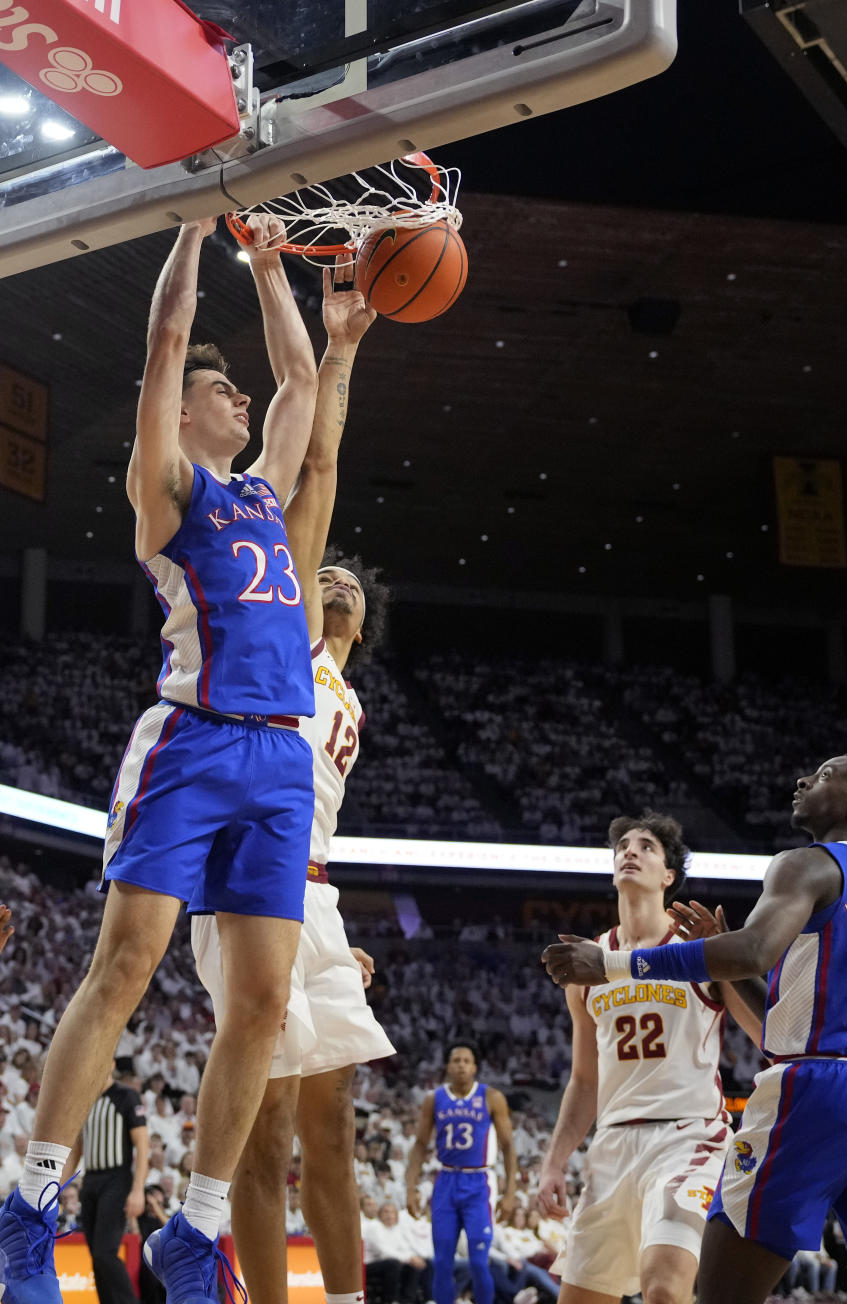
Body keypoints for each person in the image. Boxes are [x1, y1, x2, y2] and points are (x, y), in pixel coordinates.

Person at [0, 213, 320, 1304]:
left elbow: (302, 386)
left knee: (264, 1007)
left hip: (285, 759)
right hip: (192, 739)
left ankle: (196, 1226)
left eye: (238, 393)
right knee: (127, 964)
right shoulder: (168, 489)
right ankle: (32, 1204)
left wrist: (274, 267)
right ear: (181, 414)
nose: (237, 397)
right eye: (214, 390)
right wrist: (194, 226)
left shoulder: (266, 492)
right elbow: (167, 337)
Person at [543, 750, 847, 1304]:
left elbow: (755, 950)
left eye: (827, 775)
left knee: (709, 1292)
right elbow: (789, 1020)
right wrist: (726, 961)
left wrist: (613, 965)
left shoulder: (807, 863)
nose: (804, 778)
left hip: (818, 1089)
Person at [191, 254, 393, 1304]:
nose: (332, 575)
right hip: (249, 887)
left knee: (333, 1132)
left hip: (313, 890)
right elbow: (320, 467)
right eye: (321, 573)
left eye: (346, 579)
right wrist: (345, 352)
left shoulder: (351, 697)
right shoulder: (294, 641)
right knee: (265, 1138)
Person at [536, 812, 763, 1304]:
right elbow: (584, 1079)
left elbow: (768, 1035)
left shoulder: (698, 948)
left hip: (688, 1137)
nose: (630, 851)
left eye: (646, 846)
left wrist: (731, 960)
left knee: (663, 1287)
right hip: (612, 1144)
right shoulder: (587, 961)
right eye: (623, 846)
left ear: (668, 876)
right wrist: (554, 1161)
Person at [406, 1042, 518, 1304]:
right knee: (442, 1261)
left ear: (475, 1067)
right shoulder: (434, 1099)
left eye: (467, 1060)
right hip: (445, 1180)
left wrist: (510, 1192)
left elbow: (509, 1147)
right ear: (447, 1066)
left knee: (479, 1261)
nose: (461, 1065)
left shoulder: (491, 1097)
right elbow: (420, 1145)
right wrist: (410, 1188)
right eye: (456, 1060)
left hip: (480, 1183)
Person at [67, 1067, 149, 1304]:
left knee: (105, 1252)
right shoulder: (85, 1099)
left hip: (116, 1179)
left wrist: (137, 1190)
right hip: (90, 1180)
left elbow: (142, 1145)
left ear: (111, 1064)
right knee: (95, 1254)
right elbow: (78, 1148)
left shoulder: (126, 1096)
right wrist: (59, 1185)